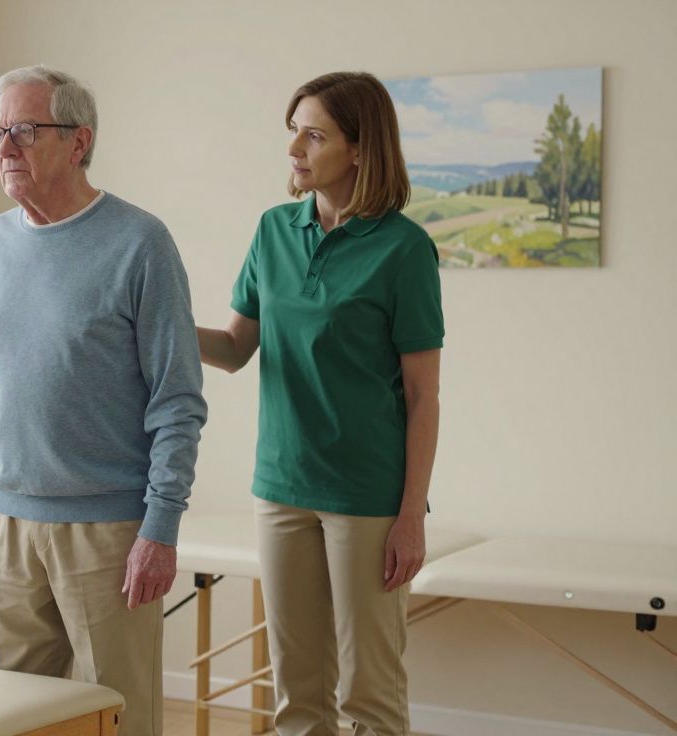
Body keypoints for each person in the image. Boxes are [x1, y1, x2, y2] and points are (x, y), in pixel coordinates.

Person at [0, 64, 207, 736]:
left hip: (110, 533)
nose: (5, 147)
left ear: (78, 141)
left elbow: (177, 400)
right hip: (4, 524)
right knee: (16, 720)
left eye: (24, 130)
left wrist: (161, 527)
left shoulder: (140, 243)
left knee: (119, 718)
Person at [196, 71, 443, 736]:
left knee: (370, 696)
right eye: (293, 133)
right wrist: (156, 326)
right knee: (296, 695)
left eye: (314, 134)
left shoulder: (403, 250)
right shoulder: (274, 230)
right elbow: (235, 346)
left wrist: (411, 515)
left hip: (366, 495)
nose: (295, 149)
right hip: (280, 486)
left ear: (361, 150)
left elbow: (423, 397)